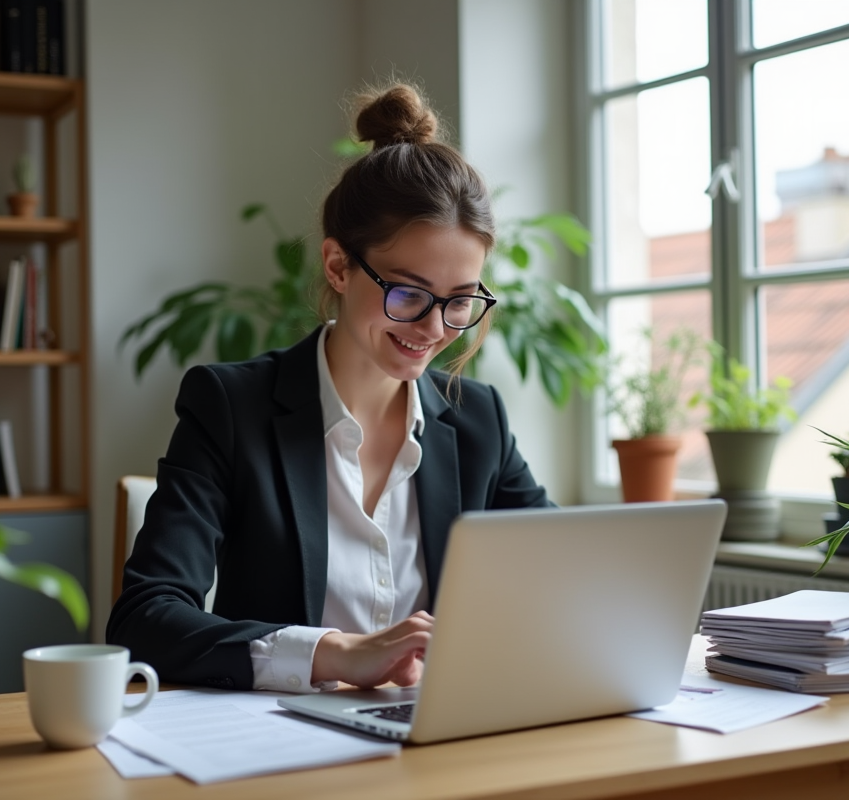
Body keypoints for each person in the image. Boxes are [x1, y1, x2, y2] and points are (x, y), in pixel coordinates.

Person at [106, 83, 552, 693]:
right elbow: (145, 619)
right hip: (280, 738)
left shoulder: (478, 420)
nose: (434, 329)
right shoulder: (231, 407)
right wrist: (336, 654)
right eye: (408, 293)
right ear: (339, 266)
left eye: (460, 301)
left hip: (433, 729)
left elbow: (562, 573)